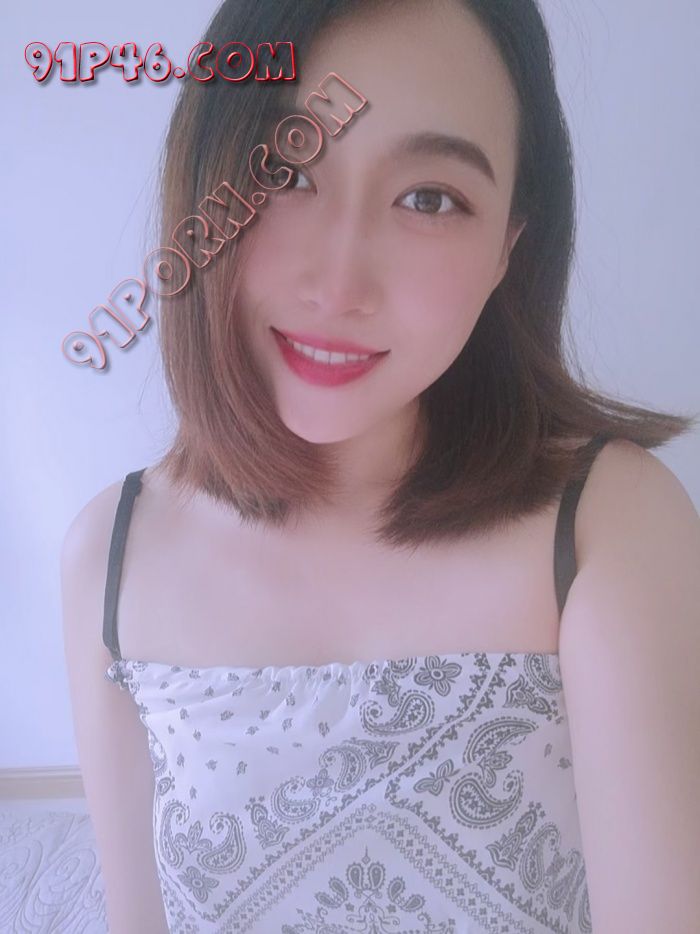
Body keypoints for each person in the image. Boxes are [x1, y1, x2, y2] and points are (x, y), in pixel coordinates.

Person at [60, 0, 700, 931]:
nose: (339, 285)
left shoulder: (609, 525)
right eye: (282, 172)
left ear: (508, 248)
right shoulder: (108, 557)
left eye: (429, 199)